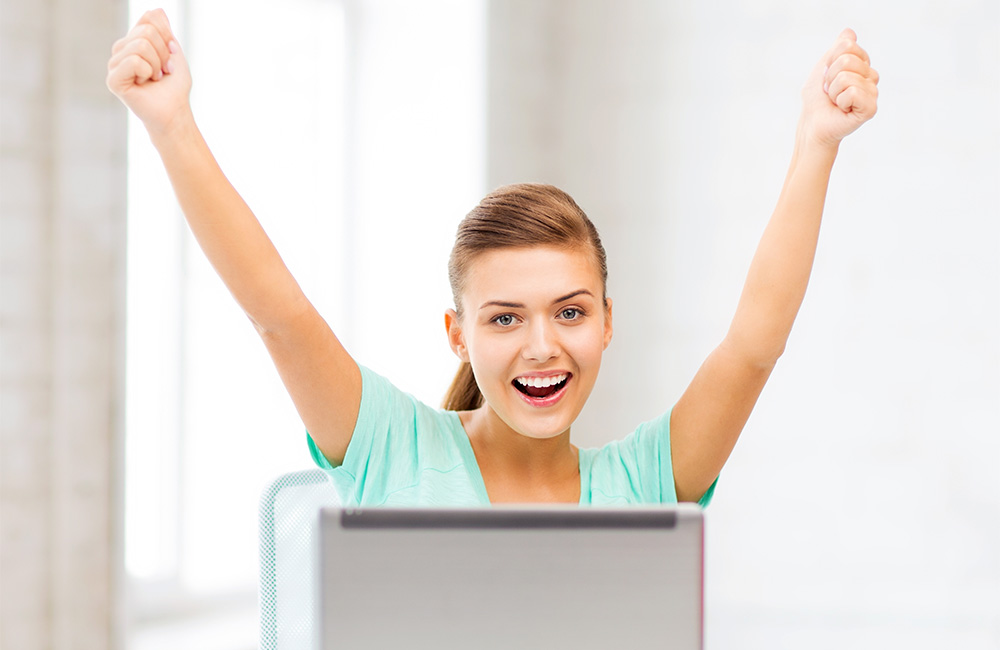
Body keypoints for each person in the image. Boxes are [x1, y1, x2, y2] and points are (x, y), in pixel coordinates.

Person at [107, 10, 879, 507]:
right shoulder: (388, 448)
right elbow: (278, 313)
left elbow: (752, 349)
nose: (542, 346)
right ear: (457, 333)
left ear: (608, 323)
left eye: (570, 312)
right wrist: (172, 126)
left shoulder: (644, 485)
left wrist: (815, 143)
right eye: (505, 317)